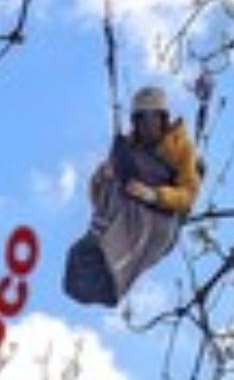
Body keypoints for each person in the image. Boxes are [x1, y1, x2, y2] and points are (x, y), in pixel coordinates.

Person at [63, 85, 201, 308]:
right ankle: (103, 243)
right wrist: (102, 177)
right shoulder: (127, 148)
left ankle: (111, 255)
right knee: (80, 263)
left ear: (162, 119)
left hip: (159, 217)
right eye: (141, 120)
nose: (147, 127)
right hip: (127, 214)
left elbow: (188, 195)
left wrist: (154, 195)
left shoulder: (181, 147)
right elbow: (97, 192)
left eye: (152, 119)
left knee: (128, 176)